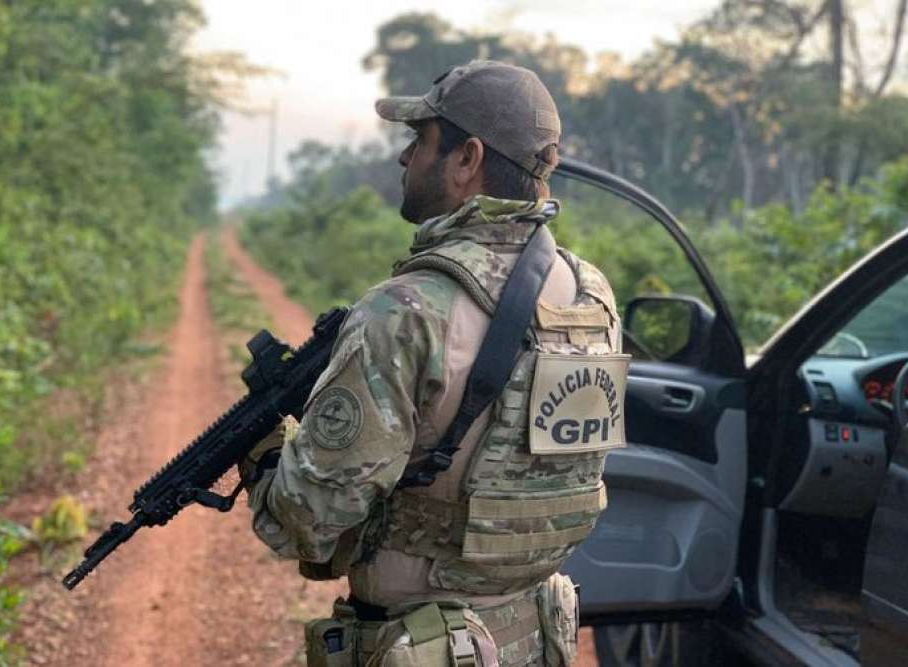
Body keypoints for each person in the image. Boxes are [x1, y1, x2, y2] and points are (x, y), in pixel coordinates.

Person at [240, 60, 627, 667]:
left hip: (422, 646)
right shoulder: (588, 295)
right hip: (536, 638)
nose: (404, 159)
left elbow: (310, 521)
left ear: (467, 158)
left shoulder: (406, 311)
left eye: (420, 140)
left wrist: (268, 455)